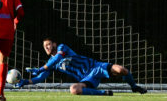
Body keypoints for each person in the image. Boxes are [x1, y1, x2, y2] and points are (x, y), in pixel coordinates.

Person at [15, 37, 147, 96]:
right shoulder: (51, 64)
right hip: (86, 78)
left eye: (49, 44)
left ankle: (134, 87)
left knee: (122, 70)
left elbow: (58, 58)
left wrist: (40, 68)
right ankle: (104, 94)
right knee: (74, 89)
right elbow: (39, 78)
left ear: (54, 44)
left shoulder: (62, 48)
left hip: (95, 66)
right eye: (45, 46)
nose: (47, 47)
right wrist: (25, 81)